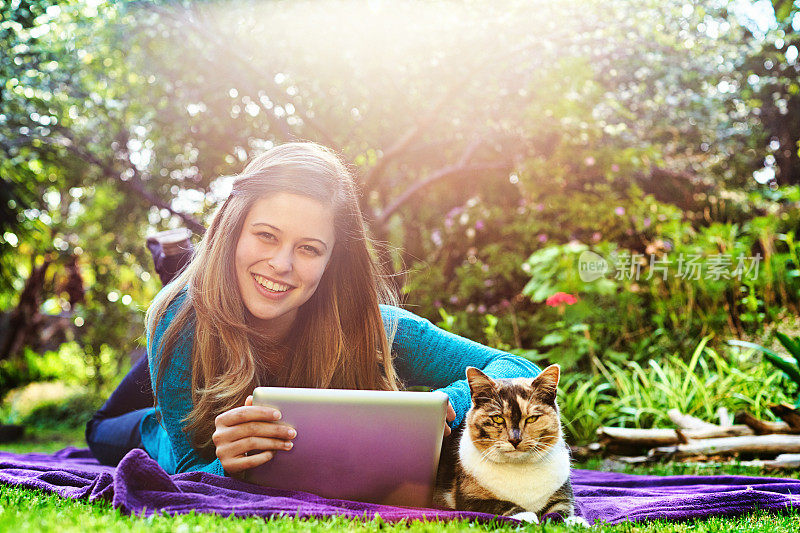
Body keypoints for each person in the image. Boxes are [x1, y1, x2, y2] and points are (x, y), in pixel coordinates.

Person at [85, 142, 541, 477]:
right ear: (233, 231)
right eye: (266, 235)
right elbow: (188, 471)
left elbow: (518, 369)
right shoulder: (178, 320)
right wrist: (222, 465)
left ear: (331, 260)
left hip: (227, 320)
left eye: (309, 248)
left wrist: (451, 405)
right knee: (107, 428)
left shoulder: (375, 328)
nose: (282, 265)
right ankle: (178, 266)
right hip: (176, 389)